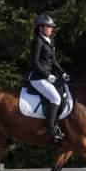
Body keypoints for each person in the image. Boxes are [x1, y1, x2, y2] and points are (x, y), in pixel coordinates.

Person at [29, 14, 70, 142]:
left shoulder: (50, 41)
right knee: (55, 98)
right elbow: (34, 62)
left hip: (47, 77)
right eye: (49, 27)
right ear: (40, 28)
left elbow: (53, 62)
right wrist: (47, 76)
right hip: (37, 78)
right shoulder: (38, 41)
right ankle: (49, 130)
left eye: (52, 27)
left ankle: (56, 125)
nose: (51, 29)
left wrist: (62, 73)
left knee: (62, 94)